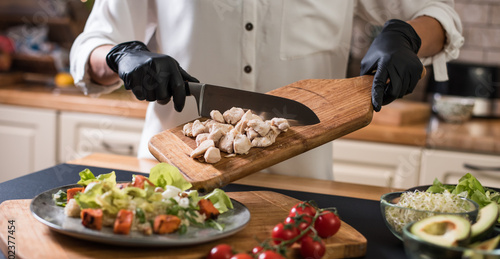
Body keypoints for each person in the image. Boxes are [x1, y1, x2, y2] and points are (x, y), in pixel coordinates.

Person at [70, 1, 463, 180]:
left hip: (298, 188)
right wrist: (120, 56)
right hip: (175, 180)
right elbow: (91, 46)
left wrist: (407, 37)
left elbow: (441, 13)